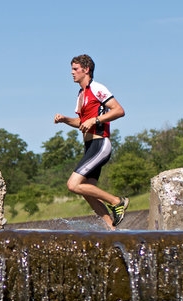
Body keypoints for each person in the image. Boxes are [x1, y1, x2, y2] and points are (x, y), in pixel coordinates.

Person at [53, 54, 128, 229]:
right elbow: (81, 123)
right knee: (87, 192)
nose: (71, 72)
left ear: (86, 70)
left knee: (73, 184)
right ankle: (112, 229)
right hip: (89, 147)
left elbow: (119, 110)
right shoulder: (81, 94)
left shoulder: (97, 88)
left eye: (75, 69)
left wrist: (96, 120)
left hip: (100, 144)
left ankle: (117, 201)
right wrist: (65, 119)